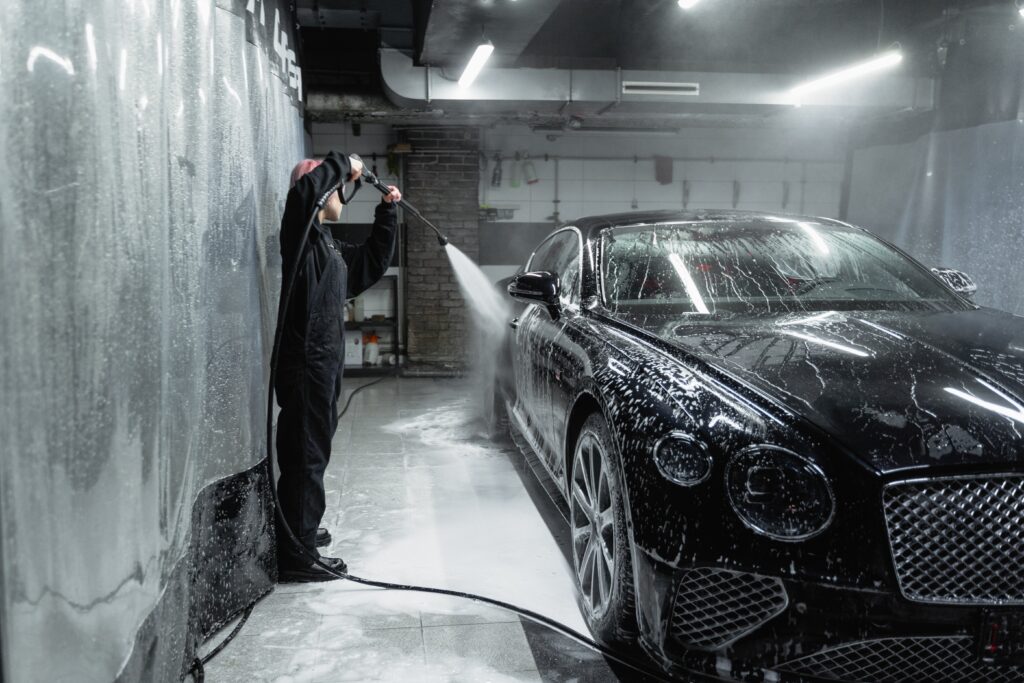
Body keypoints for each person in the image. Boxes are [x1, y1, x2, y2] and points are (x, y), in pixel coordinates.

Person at [276, 152, 401, 582]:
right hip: (307, 364)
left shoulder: (325, 245)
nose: (342, 197)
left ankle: (298, 530)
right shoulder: (299, 233)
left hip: (322, 365)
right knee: (306, 455)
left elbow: (368, 265)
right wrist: (340, 162)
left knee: (313, 451)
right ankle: (298, 555)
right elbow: (306, 193)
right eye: (337, 189)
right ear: (321, 189)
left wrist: (387, 215)